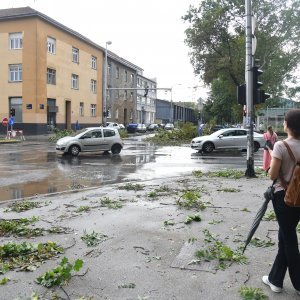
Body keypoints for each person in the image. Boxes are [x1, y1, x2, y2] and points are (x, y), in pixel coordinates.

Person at [263, 109, 300, 295]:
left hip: (283, 197)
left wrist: (271, 165)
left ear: (287, 125)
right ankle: (275, 280)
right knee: (285, 237)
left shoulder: (281, 146)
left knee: (289, 239)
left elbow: (273, 175)